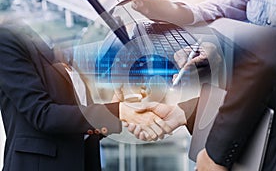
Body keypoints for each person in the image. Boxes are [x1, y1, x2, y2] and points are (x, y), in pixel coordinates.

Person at [123, 0, 276, 170]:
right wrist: (171, 10)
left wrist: (215, 156)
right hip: (250, 103)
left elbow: (265, 51)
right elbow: (227, 7)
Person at [0, 17, 166, 171]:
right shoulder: (7, 37)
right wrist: (118, 111)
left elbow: (78, 125)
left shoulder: (60, 51)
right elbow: (42, 115)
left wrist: (116, 108)